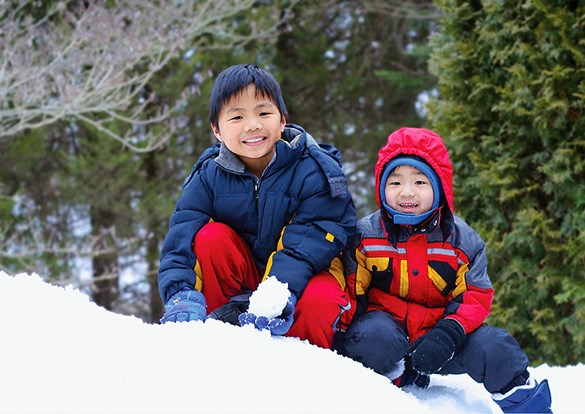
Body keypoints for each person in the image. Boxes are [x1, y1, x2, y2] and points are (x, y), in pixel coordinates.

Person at [337, 127, 552, 413]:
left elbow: (475, 294)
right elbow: (353, 290)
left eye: (420, 181)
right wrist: (340, 336)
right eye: (395, 182)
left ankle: (529, 407)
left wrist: (449, 333)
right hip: (389, 333)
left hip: (445, 338)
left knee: (495, 347)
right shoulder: (365, 237)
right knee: (372, 339)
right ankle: (394, 387)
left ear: (440, 187)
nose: (407, 192)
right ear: (381, 186)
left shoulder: (463, 242)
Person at [157, 64, 356, 349]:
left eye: (263, 113)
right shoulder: (208, 176)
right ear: (217, 130)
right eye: (237, 116)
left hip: (307, 275)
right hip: (246, 275)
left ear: (282, 119)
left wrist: (276, 292)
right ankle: (213, 344)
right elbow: (181, 237)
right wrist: (181, 293)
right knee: (210, 238)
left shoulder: (314, 170)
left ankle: (308, 373)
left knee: (320, 300)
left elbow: (313, 237)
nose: (252, 125)